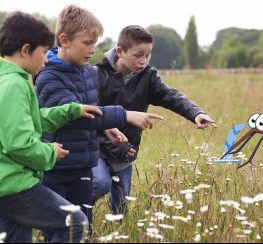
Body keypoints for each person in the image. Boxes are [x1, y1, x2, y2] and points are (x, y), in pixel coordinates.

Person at [0, 11, 102, 243]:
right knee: (75, 223)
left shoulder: (0, 79)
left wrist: (71, 110)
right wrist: (51, 152)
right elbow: (18, 144)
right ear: (25, 50)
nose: (46, 59)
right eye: (43, 52)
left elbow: (29, 121)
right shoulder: (13, 85)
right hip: (13, 184)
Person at [34, 5, 162, 235]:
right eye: (87, 43)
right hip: (56, 167)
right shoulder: (48, 77)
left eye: (95, 43)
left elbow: (94, 110)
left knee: (84, 229)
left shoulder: (89, 72)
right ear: (64, 40)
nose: (93, 50)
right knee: (60, 231)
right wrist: (125, 115)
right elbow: (77, 116)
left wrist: (107, 128)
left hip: (84, 164)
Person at [93, 25, 217, 215]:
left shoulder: (148, 77)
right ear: (120, 51)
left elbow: (171, 96)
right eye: (138, 55)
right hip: (98, 149)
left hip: (126, 154)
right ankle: (75, 217)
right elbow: (92, 115)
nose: (143, 61)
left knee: (121, 209)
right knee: (98, 184)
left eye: (148, 55)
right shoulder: (97, 75)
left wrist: (196, 113)